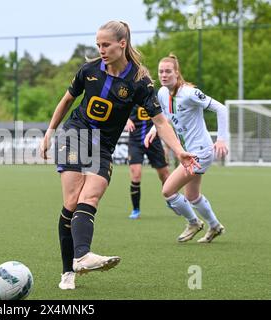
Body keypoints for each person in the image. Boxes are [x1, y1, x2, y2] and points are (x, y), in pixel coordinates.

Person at [39, 21, 200, 290]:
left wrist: (180, 151)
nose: (100, 50)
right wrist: (49, 131)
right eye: (98, 45)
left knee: (91, 196)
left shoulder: (139, 81)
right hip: (75, 134)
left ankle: (81, 257)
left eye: (106, 45)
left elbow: (160, 122)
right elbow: (67, 100)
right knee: (71, 201)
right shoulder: (88, 70)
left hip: (103, 146)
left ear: (122, 44)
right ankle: (70, 269)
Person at [144, 53, 228, 244]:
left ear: (177, 73)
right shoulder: (162, 93)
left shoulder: (190, 93)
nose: (164, 75)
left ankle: (193, 222)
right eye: (161, 72)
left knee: (168, 190)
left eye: (168, 71)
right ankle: (215, 226)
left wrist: (221, 139)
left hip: (200, 152)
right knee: (192, 196)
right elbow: (163, 116)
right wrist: (153, 130)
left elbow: (221, 109)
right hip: (188, 151)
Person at [124, 105, 170, 220]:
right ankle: (136, 210)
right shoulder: (130, 95)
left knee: (164, 174)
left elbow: (165, 116)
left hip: (153, 140)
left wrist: (167, 145)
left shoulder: (153, 95)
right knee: (136, 174)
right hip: (135, 141)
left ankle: (171, 199)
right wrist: (127, 119)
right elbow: (118, 109)